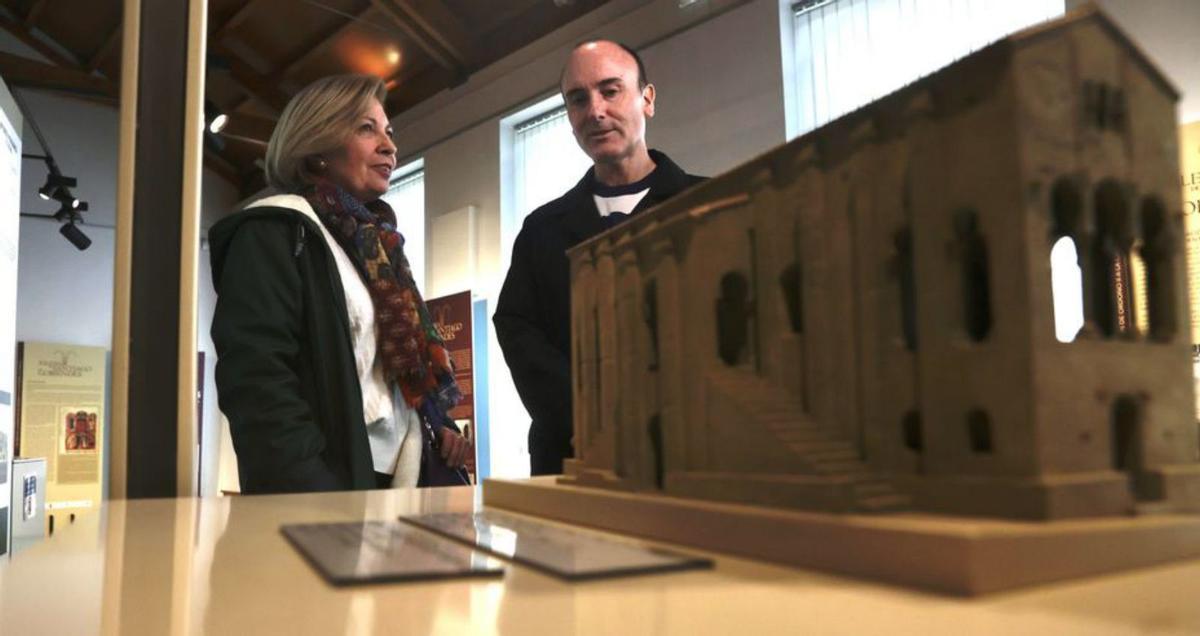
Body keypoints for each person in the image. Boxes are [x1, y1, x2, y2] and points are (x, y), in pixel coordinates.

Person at [209, 74, 471, 494]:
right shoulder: (276, 229)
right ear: (317, 147)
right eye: (366, 128)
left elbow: (391, 372)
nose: (389, 145)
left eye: (389, 131)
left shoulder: (374, 246)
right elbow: (257, 379)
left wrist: (436, 425)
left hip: (400, 478)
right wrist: (311, 490)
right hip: (328, 484)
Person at [494, 41, 706, 475]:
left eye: (611, 91)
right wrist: (590, 416)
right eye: (578, 99)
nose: (595, 110)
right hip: (572, 457)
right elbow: (517, 329)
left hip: (694, 457)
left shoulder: (711, 204)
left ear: (647, 99)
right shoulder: (541, 230)